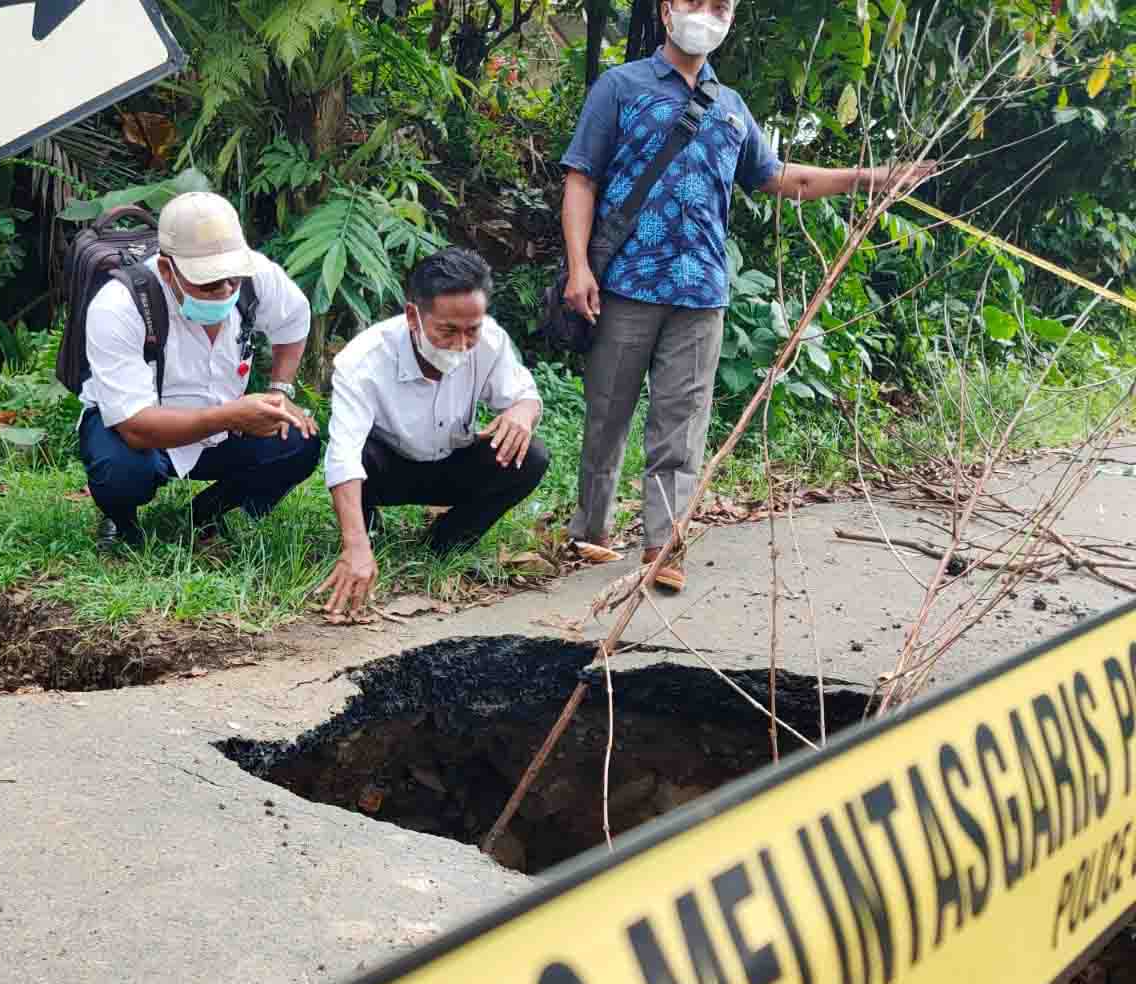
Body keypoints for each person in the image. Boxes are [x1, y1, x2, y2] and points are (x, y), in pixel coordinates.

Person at [560, 0, 934, 590]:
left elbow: (785, 178)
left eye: (719, 6)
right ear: (665, 10)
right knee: (608, 413)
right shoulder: (620, 86)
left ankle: (662, 545)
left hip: (703, 291)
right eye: (693, 2)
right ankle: (591, 532)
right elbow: (581, 176)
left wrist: (872, 178)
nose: (705, 14)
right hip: (626, 283)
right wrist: (579, 267)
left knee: (681, 425)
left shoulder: (730, 108)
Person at [78, 192, 321, 551]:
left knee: (298, 443)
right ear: (166, 269)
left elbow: (294, 320)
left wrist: (280, 391)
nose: (224, 291)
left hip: (224, 426)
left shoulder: (258, 276)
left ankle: (207, 512)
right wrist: (229, 416)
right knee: (120, 470)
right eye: (207, 283)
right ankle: (121, 519)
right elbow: (133, 427)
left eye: (232, 280)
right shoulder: (120, 304)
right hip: (144, 430)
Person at [317, 247, 547, 616]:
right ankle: (368, 531)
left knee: (532, 455)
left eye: (471, 330)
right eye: (447, 331)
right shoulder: (363, 361)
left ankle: (443, 544)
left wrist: (522, 412)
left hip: (452, 463)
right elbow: (342, 455)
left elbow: (525, 395)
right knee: (360, 455)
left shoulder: (491, 341)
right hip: (386, 470)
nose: (461, 344)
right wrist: (354, 543)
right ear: (413, 316)